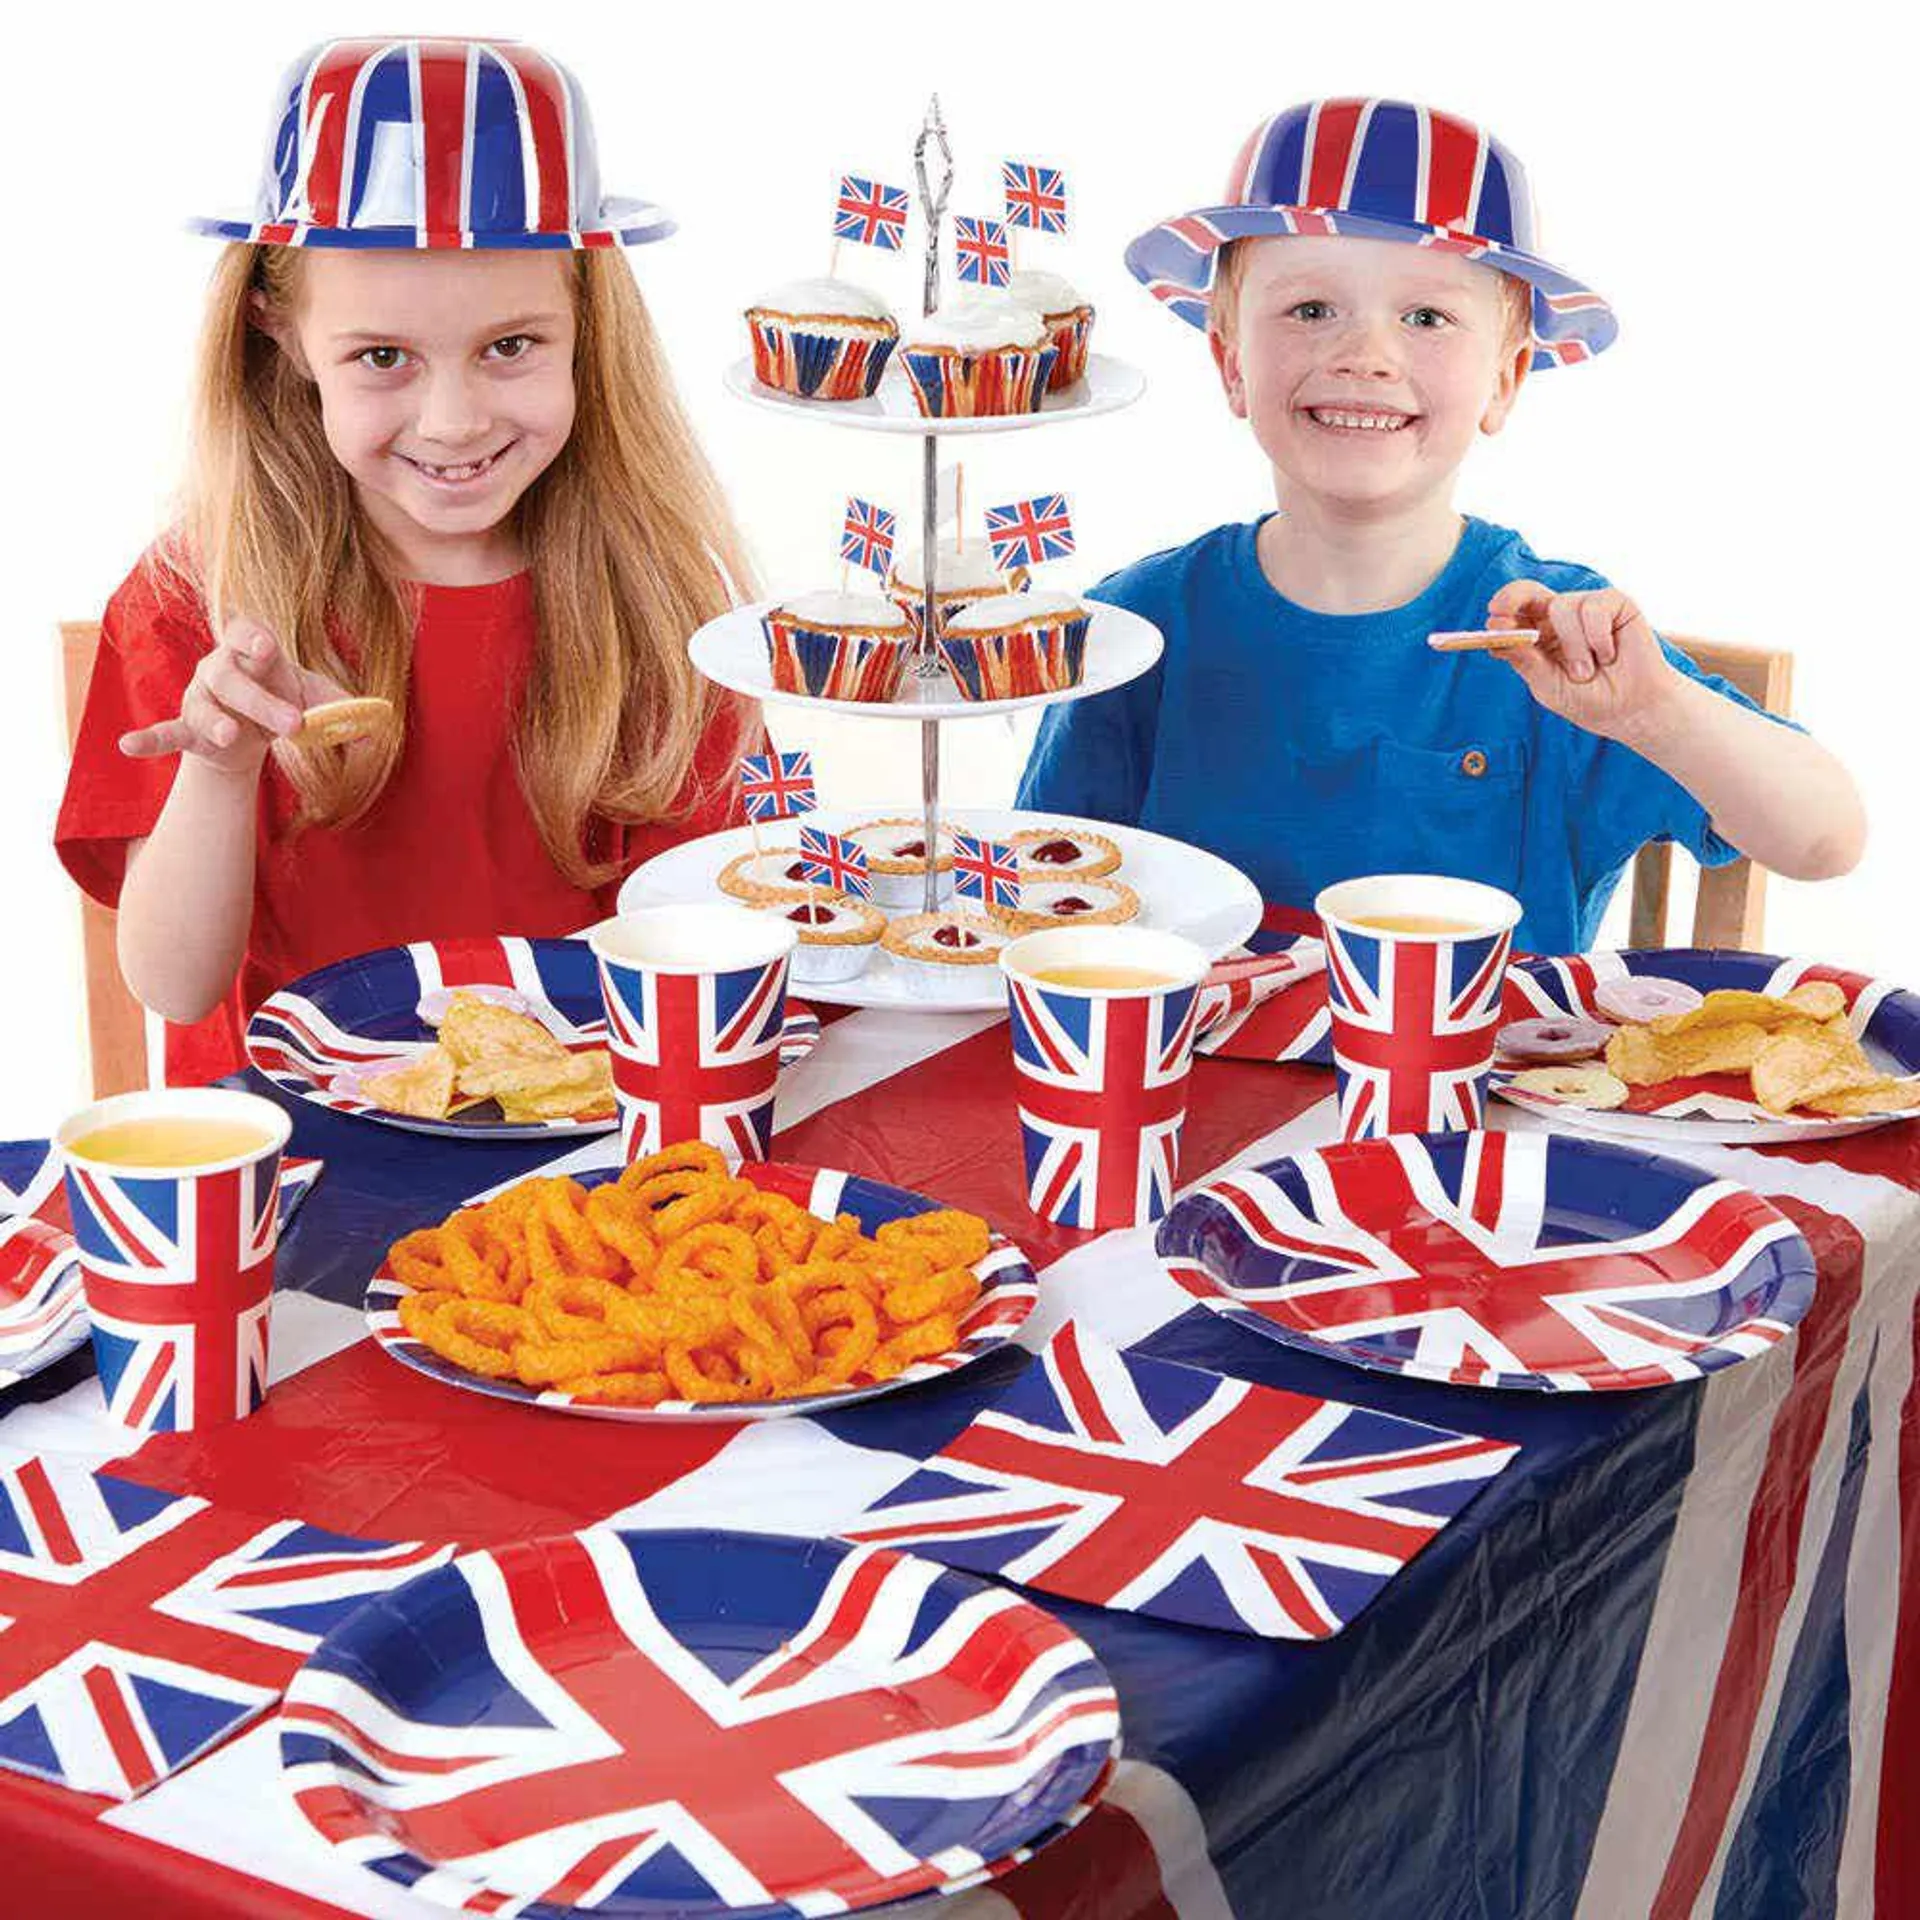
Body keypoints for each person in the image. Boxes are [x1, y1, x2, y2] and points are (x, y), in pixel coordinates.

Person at [56, 36, 761, 1083]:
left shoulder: (658, 598)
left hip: (582, 1168)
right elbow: (172, 982)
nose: (453, 419)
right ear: (281, 336)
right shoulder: (191, 604)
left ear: (586, 323)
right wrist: (221, 763)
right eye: (382, 357)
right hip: (298, 1176)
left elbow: (699, 949)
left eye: (509, 347)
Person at [1017, 99, 1864, 951]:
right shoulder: (1138, 625)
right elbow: (1033, 901)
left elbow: (1824, 840)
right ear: (1232, 362)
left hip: (1478, 1084)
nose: (1366, 354)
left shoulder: (1558, 638)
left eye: (1427, 318)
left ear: (1505, 380)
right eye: (1311, 309)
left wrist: (1655, 713)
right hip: (1186, 1080)